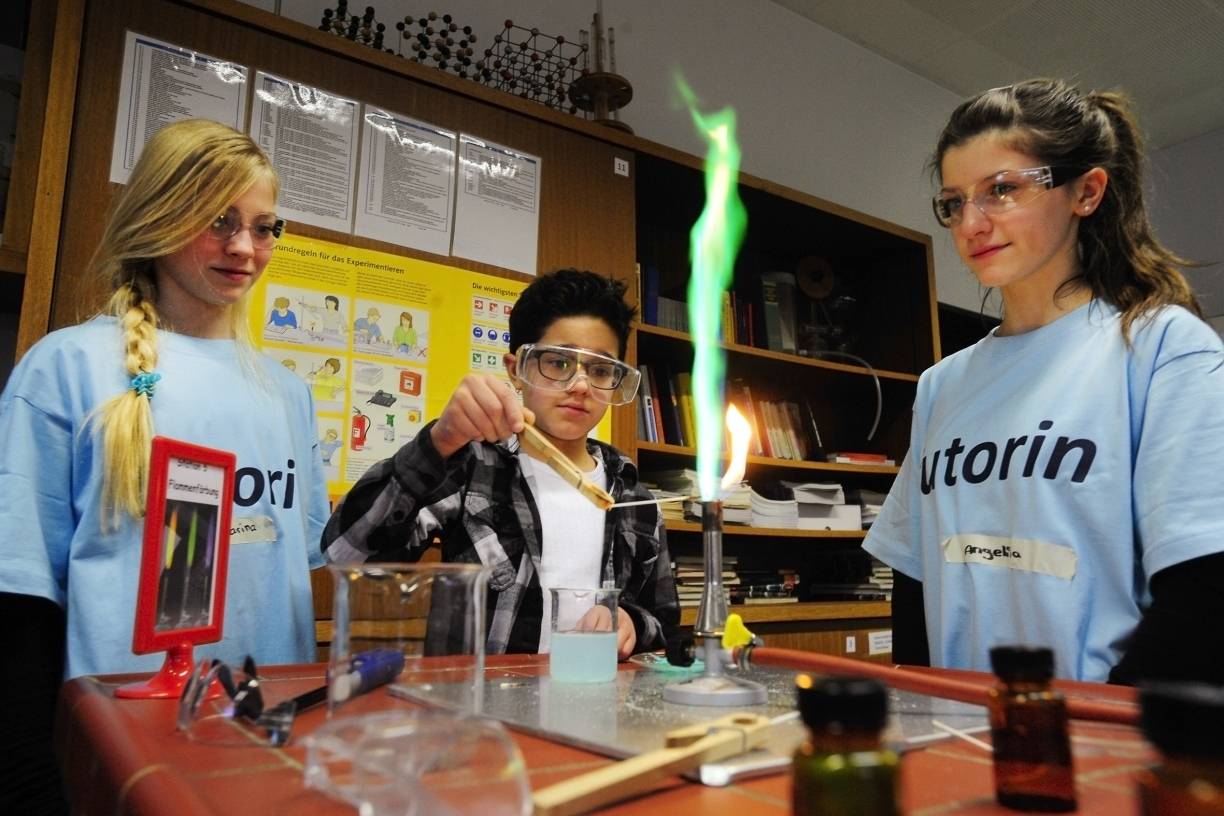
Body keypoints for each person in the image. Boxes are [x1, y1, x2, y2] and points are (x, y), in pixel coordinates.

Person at [0, 119, 330, 812]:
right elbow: (23, 596)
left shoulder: (289, 394)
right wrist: (31, 774)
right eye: (218, 221)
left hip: (268, 739)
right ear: (159, 214)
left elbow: (292, 563)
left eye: (265, 226)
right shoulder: (67, 366)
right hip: (124, 744)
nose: (245, 247)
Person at [864, 78, 1224, 684]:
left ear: (1086, 191)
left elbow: (1204, 590)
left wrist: (1095, 736)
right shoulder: (941, 385)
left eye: (1001, 190)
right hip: (961, 735)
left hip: (1096, 741)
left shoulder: (1163, 346)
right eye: (954, 202)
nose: (971, 223)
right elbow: (916, 577)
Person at [323, 269, 678, 659]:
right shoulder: (472, 464)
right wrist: (439, 441)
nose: (580, 385)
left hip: (596, 702)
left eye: (599, 369)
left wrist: (632, 622)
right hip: (480, 705)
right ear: (516, 370)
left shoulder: (633, 496)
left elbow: (664, 622)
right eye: (558, 363)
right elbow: (345, 554)